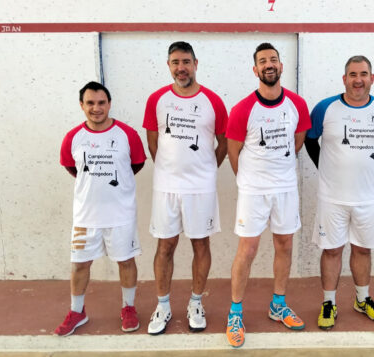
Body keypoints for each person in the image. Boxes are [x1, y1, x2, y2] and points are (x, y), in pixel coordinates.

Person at [304, 56, 374, 330]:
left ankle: (363, 299)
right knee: (332, 250)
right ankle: (329, 302)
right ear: (344, 79)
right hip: (332, 197)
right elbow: (310, 141)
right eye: (352, 74)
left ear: (372, 78)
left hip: (368, 197)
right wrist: (326, 167)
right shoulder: (325, 108)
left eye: (363, 74)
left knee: (363, 249)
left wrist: (371, 162)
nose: (357, 79)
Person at [224, 42, 311, 348]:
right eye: (263, 61)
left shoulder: (297, 104)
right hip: (253, 191)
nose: (269, 64)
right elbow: (233, 152)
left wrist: (278, 173)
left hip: (285, 188)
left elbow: (298, 142)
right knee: (247, 250)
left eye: (273, 59)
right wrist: (251, 179)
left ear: (281, 66)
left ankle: (278, 305)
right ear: (255, 69)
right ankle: (235, 313)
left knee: (284, 244)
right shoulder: (242, 109)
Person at [142, 41, 228, 335]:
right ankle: (163, 305)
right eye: (176, 62)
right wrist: (169, 169)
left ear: (196, 64)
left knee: (200, 244)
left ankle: (195, 303)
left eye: (186, 62)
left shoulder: (213, 101)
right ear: (169, 66)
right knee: (165, 245)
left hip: (201, 189)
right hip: (166, 188)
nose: (181, 68)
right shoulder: (156, 100)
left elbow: (224, 143)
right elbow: (153, 141)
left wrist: (205, 169)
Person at [56, 81, 147, 336]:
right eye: (90, 103)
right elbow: (71, 167)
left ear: (109, 104)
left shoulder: (127, 135)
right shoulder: (73, 138)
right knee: (79, 265)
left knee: (126, 261)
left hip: (121, 214)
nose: (96, 108)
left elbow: (136, 164)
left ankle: (128, 308)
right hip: (86, 216)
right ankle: (77, 311)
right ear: (82, 106)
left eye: (101, 103)